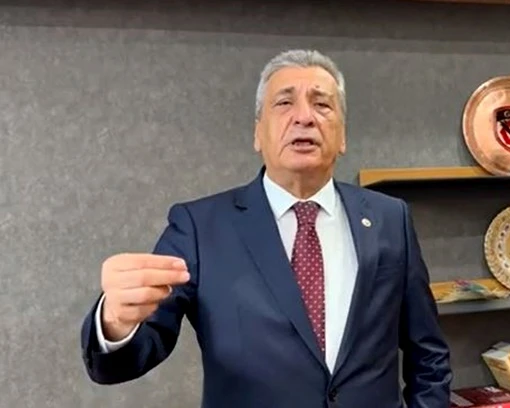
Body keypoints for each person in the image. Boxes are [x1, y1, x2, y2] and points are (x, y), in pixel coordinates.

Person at [80, 49, 453, 408]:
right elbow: (131, 355)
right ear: (258, 133)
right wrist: (115, 321)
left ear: (343, 137)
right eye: (284, 102)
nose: (304, 117)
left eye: (322, 105)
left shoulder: (390, 218)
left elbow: (428, 353)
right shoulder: (199, 227)